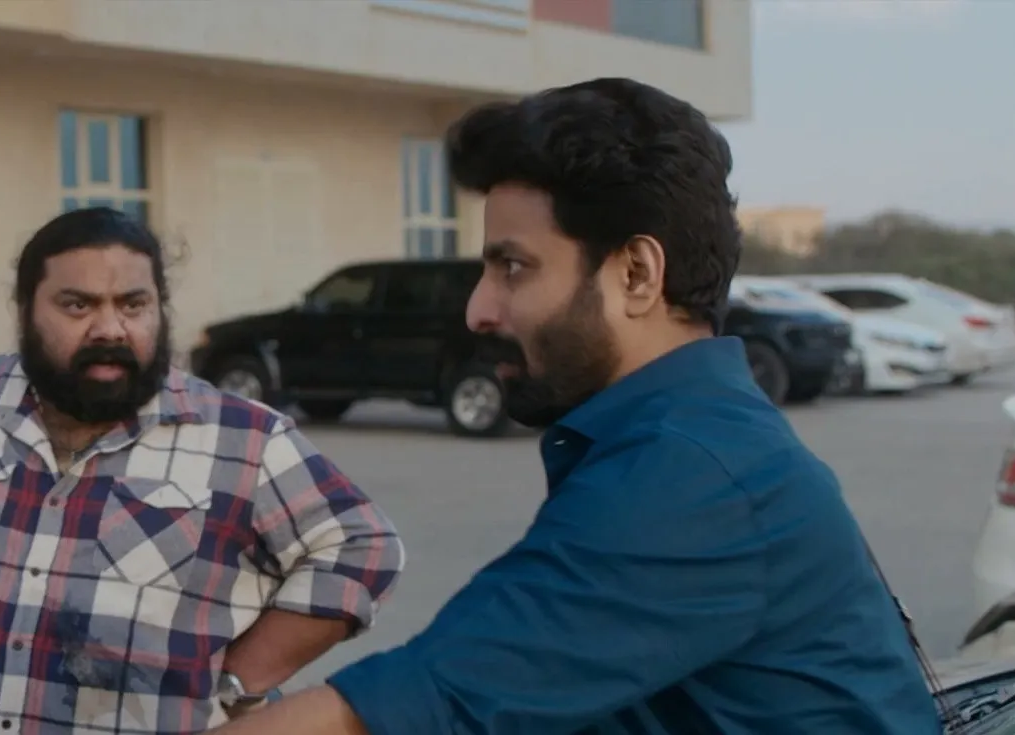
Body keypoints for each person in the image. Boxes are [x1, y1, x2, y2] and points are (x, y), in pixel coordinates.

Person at [210, 78, 943, 734]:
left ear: (636, 274)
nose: (478, 309)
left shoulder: (690, 474)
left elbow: (424, 708)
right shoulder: (692, 433)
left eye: (513, 267)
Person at [0, 206, 405, 735]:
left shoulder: (244, 441)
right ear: (26, 310)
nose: (110, 328)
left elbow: (363, 548)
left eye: (133, 304)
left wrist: (240, 680)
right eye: (77, 305)